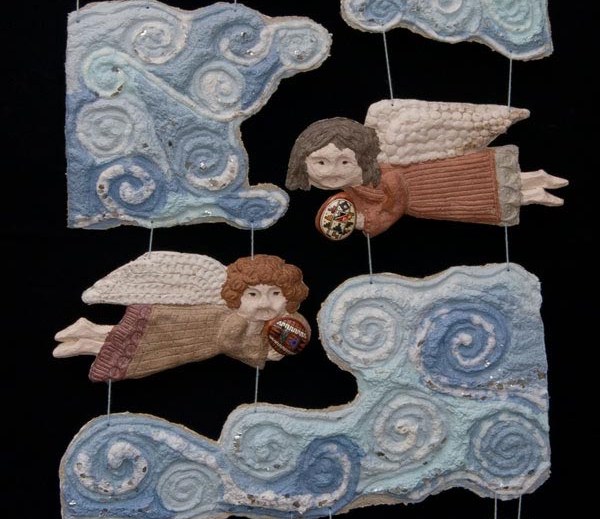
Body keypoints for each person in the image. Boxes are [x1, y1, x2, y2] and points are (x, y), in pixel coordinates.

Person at [286, 115, 567, 237]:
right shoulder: (354, 189)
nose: (332, 171)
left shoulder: (386, 175)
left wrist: (369, 222)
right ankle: (535, 189)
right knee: (483, 195)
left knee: (483, 186)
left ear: (363, 157)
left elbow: (394, 205)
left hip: (433, 184)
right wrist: (355, 218)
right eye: (320, 163)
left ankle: (537, 183)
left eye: (345, 161)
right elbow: (356, 207)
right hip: (432, 200)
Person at [53, 253, 309, 381]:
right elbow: (229, 344)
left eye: (275, 294)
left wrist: (290, 336)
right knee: (140, 350)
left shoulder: (275, 318)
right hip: (181, 335)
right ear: (237, 296)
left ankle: (87, 333)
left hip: (181, 330)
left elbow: (300, 328)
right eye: (253, 295)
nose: (264, 303)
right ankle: (86, 343)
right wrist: (261, 355)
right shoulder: (238, 321)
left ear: (289, 295)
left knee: (134, 340)